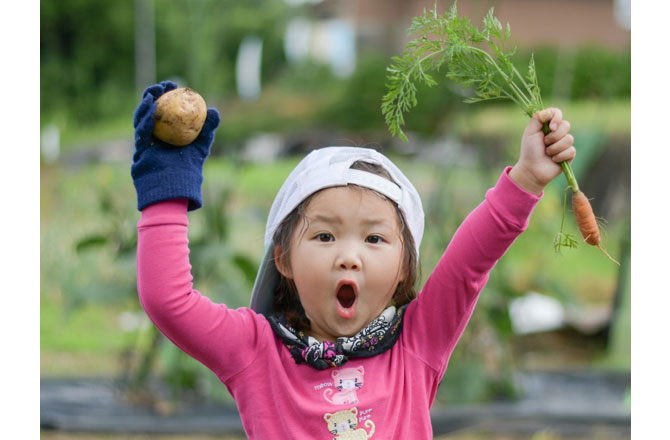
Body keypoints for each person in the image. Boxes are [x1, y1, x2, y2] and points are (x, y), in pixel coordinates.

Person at [131, 80, 576, 438]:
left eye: (375, 239)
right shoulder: (257, 352)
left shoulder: (417, 342)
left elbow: (468, 265)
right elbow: (170, 301)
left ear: (405, 265)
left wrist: (527, 178)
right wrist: (168, 181)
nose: (349, 257)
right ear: (282, 258)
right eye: (325, 235)